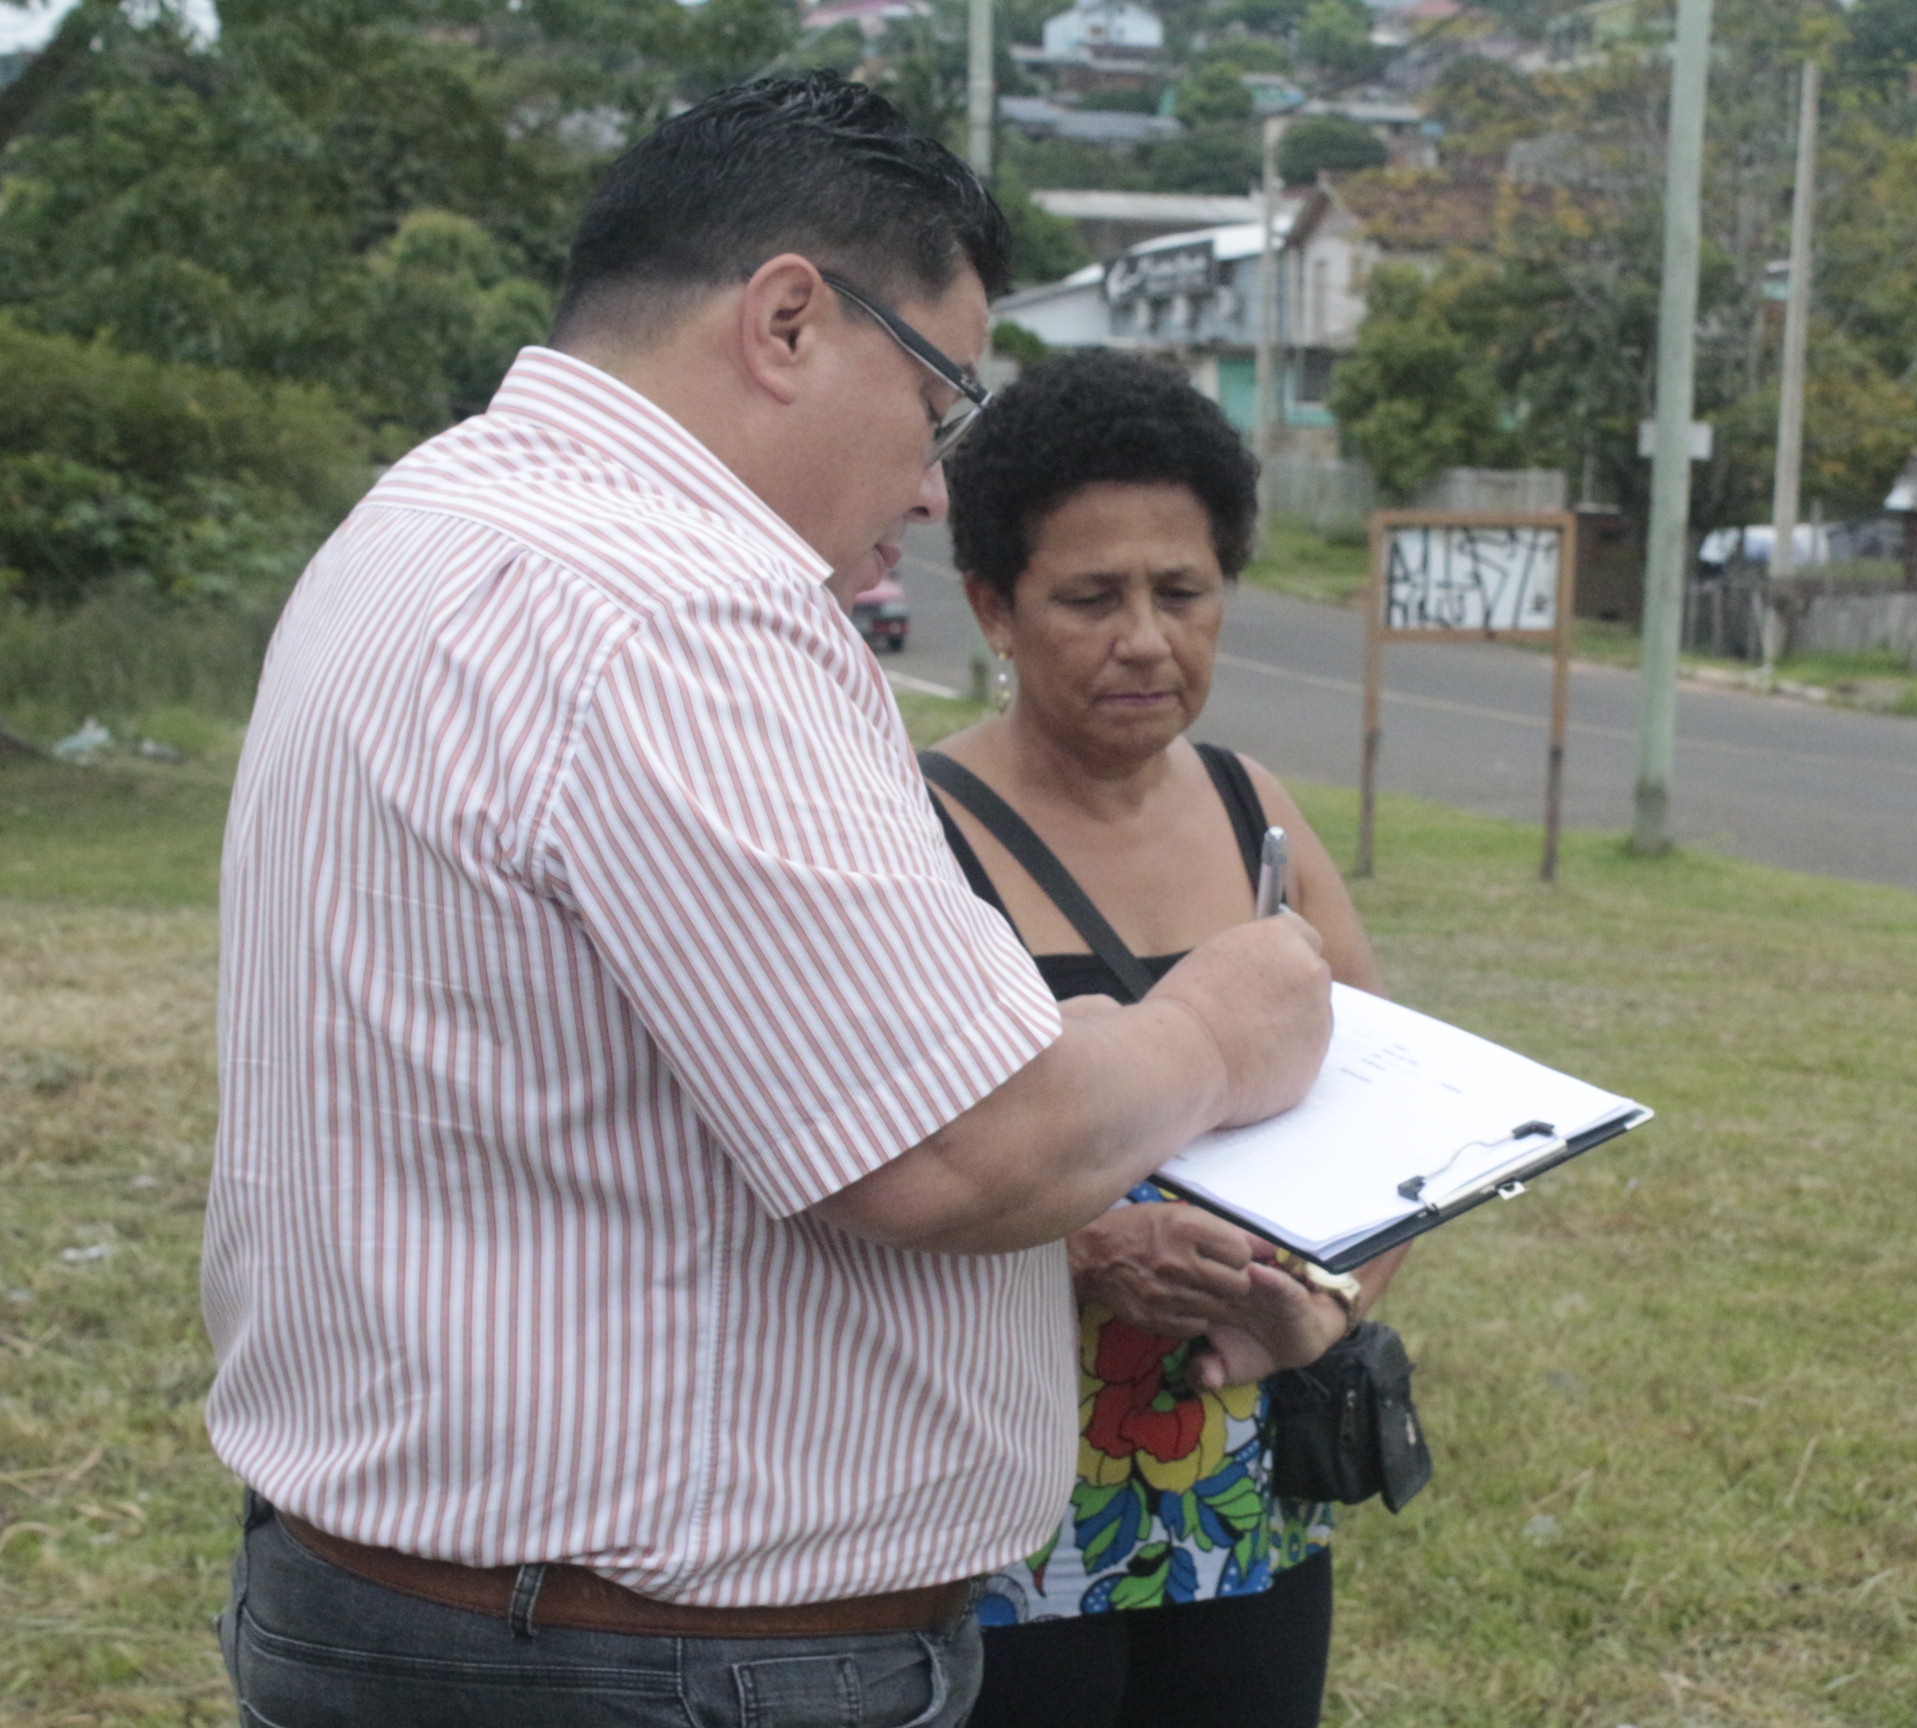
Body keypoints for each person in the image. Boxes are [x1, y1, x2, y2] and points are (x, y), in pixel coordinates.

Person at [202, 76, 1332, 1728]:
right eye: (939, 400)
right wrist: (1217, 1031)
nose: (935, 485)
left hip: (452, 1603)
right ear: (789, 320)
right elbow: (954, 1146)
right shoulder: (677, 606)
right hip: (641, 1658)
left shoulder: (429, 517)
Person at [919, 351, 1405, 1728]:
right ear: (992, 605)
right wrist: (1081, 1248)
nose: (1145, 638)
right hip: (992, 1525)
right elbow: (874, 1160)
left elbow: (1397, 1128)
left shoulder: (1260, 815)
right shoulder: (913, 833)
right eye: (1092, 598)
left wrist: (1322, 1311)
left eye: (1182, 593)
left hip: (1245, 1507)